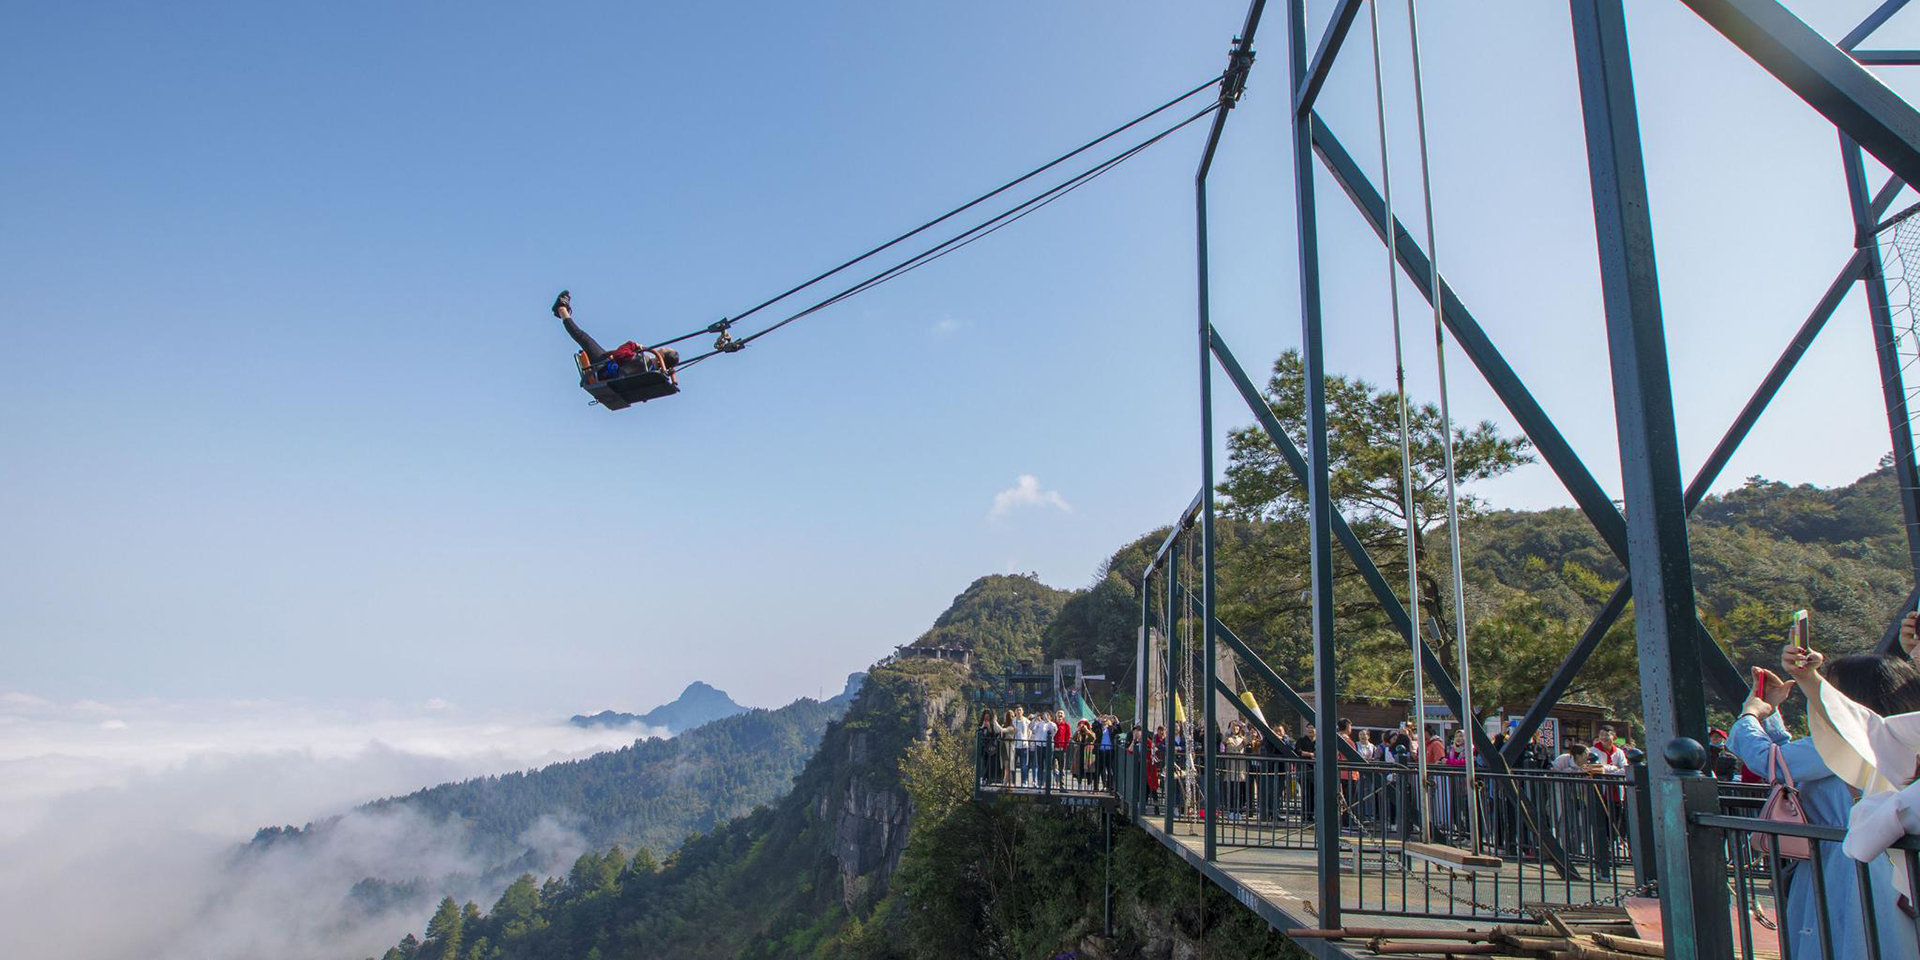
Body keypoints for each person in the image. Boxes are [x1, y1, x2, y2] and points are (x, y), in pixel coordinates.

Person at [1733, 647, 1920, 960]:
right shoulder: (1895, 737)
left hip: (1843, 860)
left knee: (1840, 939)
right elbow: (1793, 762)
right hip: (1887, 862)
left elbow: (1772, 763)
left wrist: (1749, 715)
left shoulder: (1846, 741)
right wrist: (1775, 715)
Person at [550, 291, 680, 377]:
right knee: (584, 338)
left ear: (660, 357)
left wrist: (633, 345)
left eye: (662, 349)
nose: (659, 349)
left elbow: (619, 355)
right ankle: (561, 311)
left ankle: (561, 309)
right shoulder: (652, 372)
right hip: (613, 370)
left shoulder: (643, 361)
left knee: (582, 336)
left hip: (602, 368)